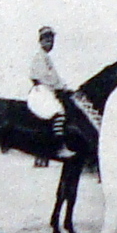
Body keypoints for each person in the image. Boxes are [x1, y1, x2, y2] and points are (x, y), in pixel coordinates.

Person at [27, 26, 75, 159]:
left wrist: (63, 86)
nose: (50, 43)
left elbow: (54, 78)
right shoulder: (40, 57)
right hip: (42, 90)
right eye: (47, 40)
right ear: (41, 41)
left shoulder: (46, 57)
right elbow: (43, 77)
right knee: (59, 111)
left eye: (52, 41)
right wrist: (60, 87)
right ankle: (59, 146)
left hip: (47, 89)